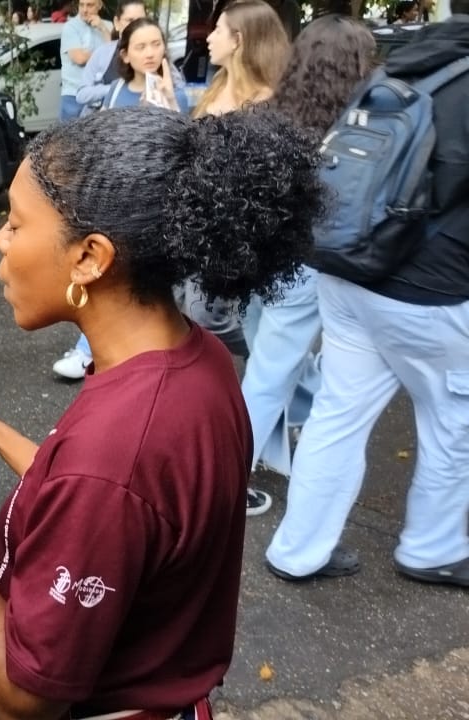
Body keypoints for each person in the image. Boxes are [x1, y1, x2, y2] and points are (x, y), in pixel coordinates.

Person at [0, 106, 323, 719]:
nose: (0, 241)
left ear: (90, 257)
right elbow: (112, 511)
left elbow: (23, 696)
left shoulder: (115, 454)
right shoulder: (199, 360)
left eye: (17, 223)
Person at [265, 0, 469, 586]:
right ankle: (431, 548)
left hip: (350, 269)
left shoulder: (407, 62)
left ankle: (297, 549)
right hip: (431, 292)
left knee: (337, 413)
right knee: (452, 419)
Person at [237, 15, 373, 517]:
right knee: (268, 377)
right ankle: (228, 481)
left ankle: (290, 437)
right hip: (306, 268)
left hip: (260, 260)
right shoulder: (350, 129)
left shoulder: (272, 111)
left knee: (268, 364)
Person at [192, 0, 289, 516]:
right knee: (200, 329)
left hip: (237, 248)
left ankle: (225, 463)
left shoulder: (269, 105)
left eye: (220, 31)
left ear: (242, 40)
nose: (208, 37)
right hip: (198, 237)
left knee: (207, 325)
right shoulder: (215, 88)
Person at [73, 0, 147, 116]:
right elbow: (82, 94)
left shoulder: (155, 56)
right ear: (117, 23)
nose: (136, 26)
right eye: (130, 20)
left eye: (141, 21)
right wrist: (116, 89)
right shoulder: (102, 53)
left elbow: (180, 91)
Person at [60, 0, 112, 121]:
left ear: (99, 6)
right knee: (69, 139)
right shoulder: (71, 27)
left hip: (101, 96)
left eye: (90, 5)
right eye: (81, 4)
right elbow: (80, 58)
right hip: (74, 95)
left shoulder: (108, 27)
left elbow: (114, 55)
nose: (84, 9)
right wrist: (104, 54)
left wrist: (103, 29)